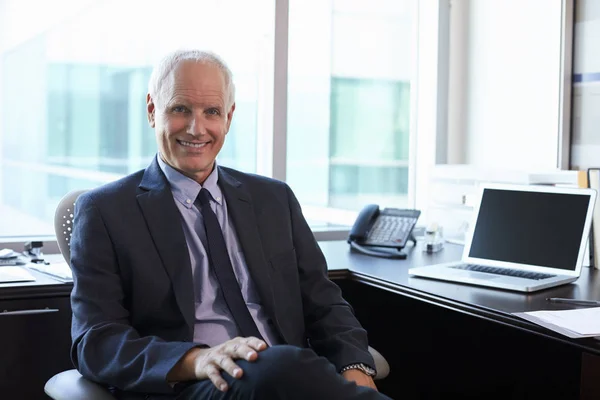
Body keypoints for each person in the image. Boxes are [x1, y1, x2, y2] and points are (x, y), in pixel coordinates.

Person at [70, 49, 392, 400]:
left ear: (229, 116)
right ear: (152, 111)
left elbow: (324, 303)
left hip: (290, 379)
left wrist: (353, 367)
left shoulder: (274, 199)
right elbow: (97, 340)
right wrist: (197, 358)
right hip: (194, 386)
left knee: (284, 366)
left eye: (212, 112)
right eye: (180, 109)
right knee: (277, 364)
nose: (197, 128)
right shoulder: (105, 210)